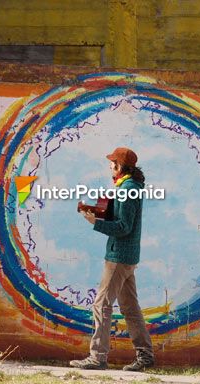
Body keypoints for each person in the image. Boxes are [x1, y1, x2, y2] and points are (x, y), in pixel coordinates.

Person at [69, 147, 155, 371]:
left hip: (118, 256)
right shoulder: (128, 187)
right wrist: (99, 212)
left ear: (120, 166)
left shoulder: (127, 189)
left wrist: (95, 222)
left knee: (101, 304)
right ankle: (145, 355)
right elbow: (121, 218)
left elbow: (124, 227)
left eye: (112, 162)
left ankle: (97, 357)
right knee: (130, 307)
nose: (109, 165)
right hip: (126, 256)